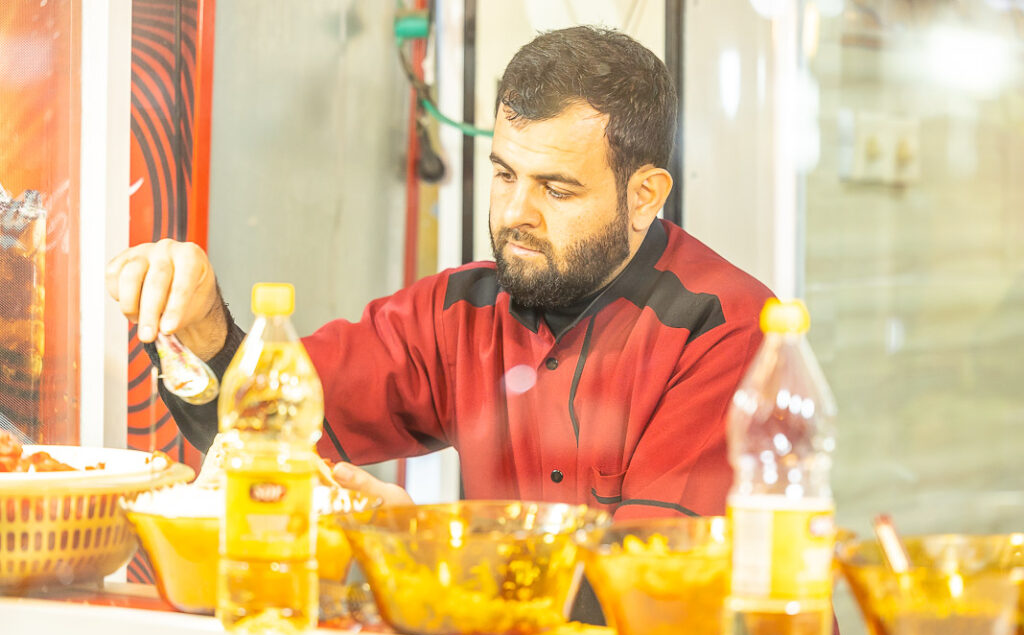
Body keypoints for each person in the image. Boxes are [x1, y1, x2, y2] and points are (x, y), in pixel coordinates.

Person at [106, 26, 773, 520]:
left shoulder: (723, 327)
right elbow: (267, 430)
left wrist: (421, 541)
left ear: (645, 196)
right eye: (505, 174)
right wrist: (199, 324)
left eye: (557, 190)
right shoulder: (460, 313)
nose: (516, 212)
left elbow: (649, 588)